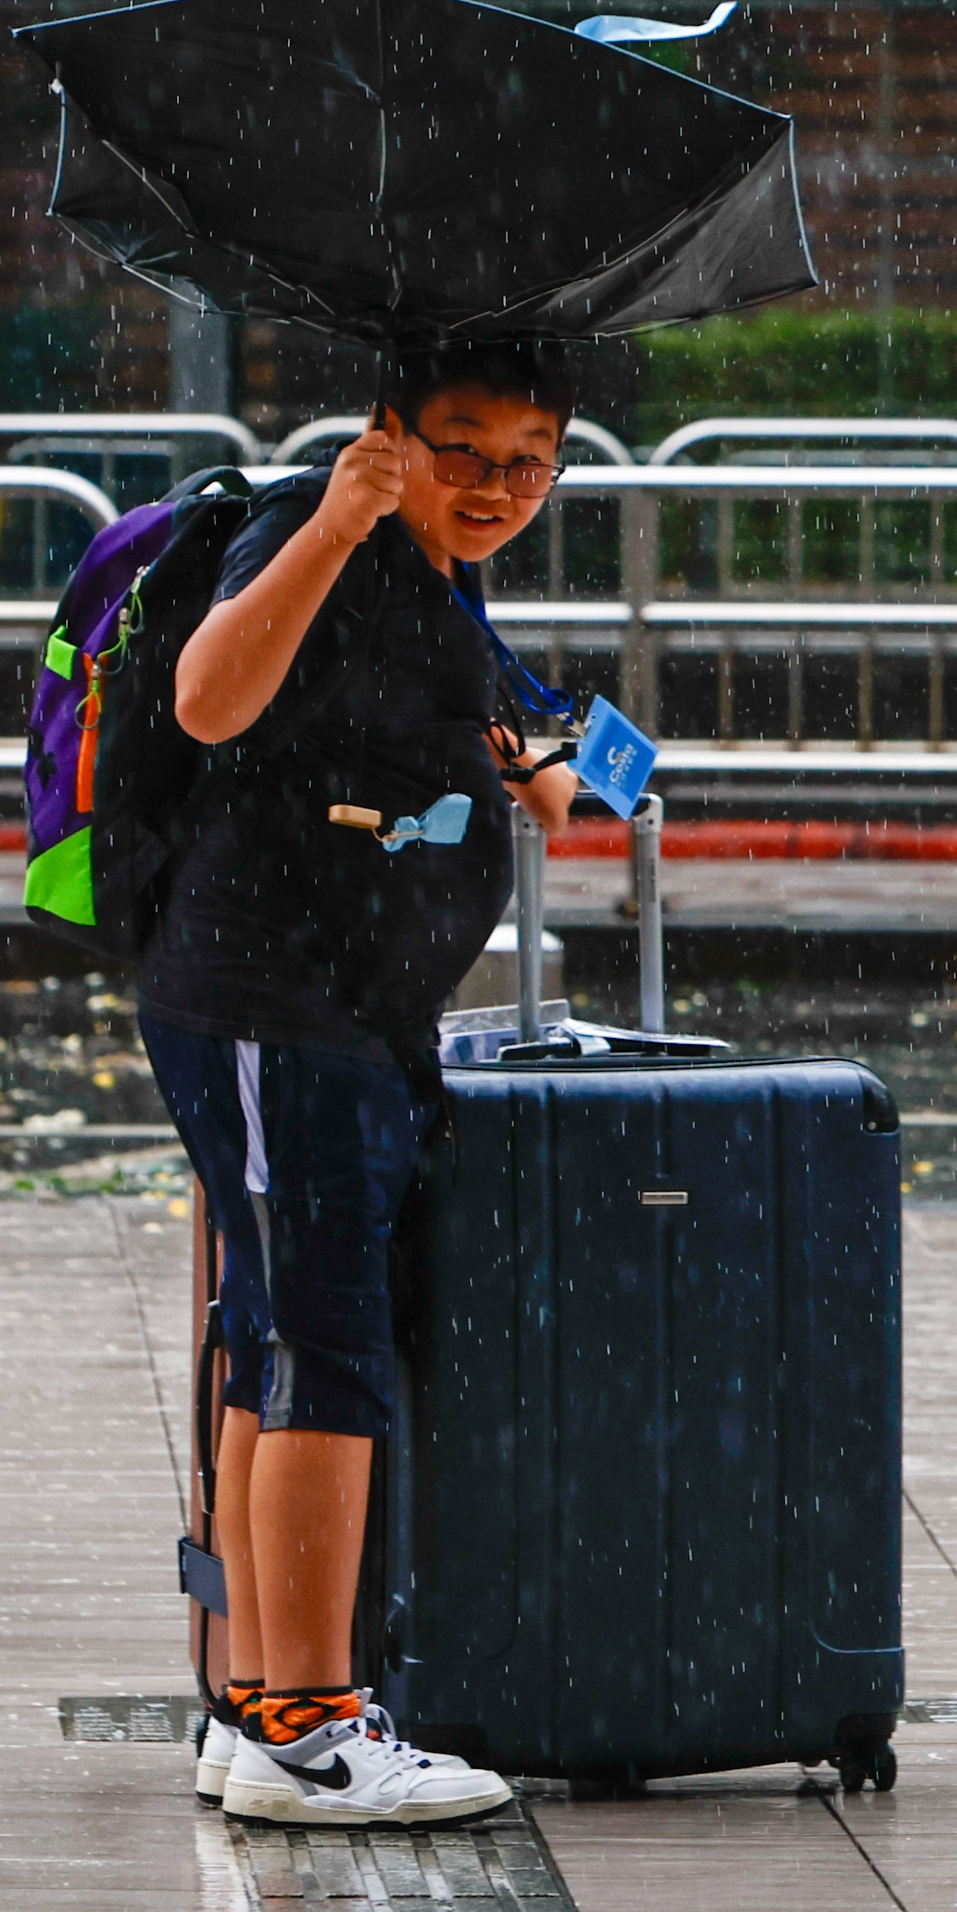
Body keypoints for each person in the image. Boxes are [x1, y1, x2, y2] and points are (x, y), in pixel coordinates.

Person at [139, 338, 585, 1827]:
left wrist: (525, 762)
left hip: (335, 1010)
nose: (496, 486)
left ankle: (258, 1705)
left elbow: (447, 737)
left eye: (530, 461)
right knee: (322, 1347)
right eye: (463, 449)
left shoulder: (440, 573)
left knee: (275, 1334)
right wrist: (339, 515)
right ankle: (313, 1728)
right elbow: (209, 699)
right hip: (276, 1002)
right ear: (390, 430)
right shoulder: (315, 524)